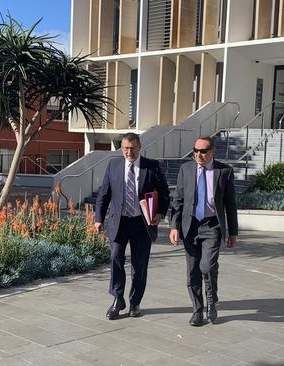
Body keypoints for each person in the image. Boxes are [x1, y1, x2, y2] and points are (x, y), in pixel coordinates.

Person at [95, 132, 170, 320]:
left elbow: (165, 193)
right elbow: (104, 194)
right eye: (125, 148)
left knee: (139, 265)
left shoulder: (151, 166)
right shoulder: (114, 164)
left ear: (140, 147)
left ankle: (135, 302)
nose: (129, 151)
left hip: (141, 224)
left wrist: (160, 212)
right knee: (115, 259)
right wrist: (98, 219)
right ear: (121, 148)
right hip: (119, 222)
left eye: (132, 148)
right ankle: (117, 299)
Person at [170, 136, 238, 326]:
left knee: (206, 267)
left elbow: (230, 204)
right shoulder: (186, 169)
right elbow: (178, 200)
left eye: (203, 151)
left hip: (212, 226)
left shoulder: (224, 171)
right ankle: (197, 310)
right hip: (189, 227)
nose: (198, 154)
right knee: (192, 271)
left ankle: (211, 301)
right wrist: (174, 226)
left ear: (212, 152)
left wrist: (232, 232)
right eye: (196, 150)